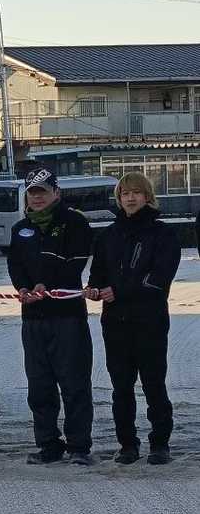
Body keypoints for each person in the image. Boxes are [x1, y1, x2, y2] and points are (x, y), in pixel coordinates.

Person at [86, 172, 180, 465]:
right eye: (125, 193)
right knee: (121, 388)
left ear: (147, 196)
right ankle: (127, 443)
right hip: (115, 323)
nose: (130, 198)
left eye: (136, 192)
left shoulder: (163, 234)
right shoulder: (108, 235)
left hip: (149, 321)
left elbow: (159, 280)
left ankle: (160, 443)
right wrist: (93, 288)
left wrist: (120, 292)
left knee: (154, 385)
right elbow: (98, 271)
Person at [7, 168, 95, 466]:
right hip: (33, 317)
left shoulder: (75, 222)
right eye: (32, 192)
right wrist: (23, 287)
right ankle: (48, 444)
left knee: (74, 383)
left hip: (67, 315)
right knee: (39, 385)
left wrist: (47, 284)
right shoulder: (20, 229)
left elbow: (74, 262)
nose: (37, 197)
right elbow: (15, 264)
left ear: (56, 192)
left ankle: (79, 446)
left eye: (43, 191)